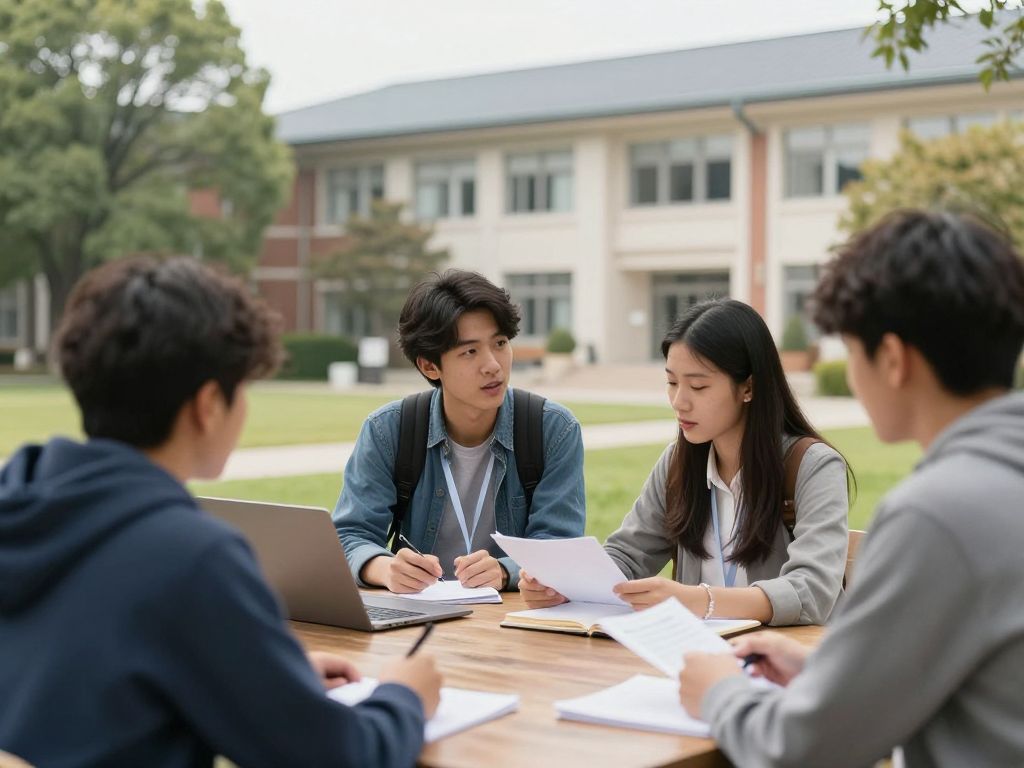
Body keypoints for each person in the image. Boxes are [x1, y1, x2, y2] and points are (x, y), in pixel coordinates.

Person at [0, 257, 441, 767]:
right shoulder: (189, 557)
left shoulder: (24, 500)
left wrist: (259, 672)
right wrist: (403, 697)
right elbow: (337, 757)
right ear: (209, 405)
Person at [678, 210, 1024, 766]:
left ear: (891, 359)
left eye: (851, 350)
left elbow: (804, 750)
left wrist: (720, 690)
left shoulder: (937, 515)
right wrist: (829, 676)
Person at [520, 298, 850, 626]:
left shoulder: (812, 467)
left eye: (698, 386)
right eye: (672, 383)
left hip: (786, 662)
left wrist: (699, 600)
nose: (679, 402)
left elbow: (811, 591)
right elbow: (628, 555)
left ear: (748, 387)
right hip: (698, 654)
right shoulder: (678, 462)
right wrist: (564, 586)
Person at [333, 269, 585, 594]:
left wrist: (505, 571)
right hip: (416, 617)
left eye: (500, 343)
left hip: (513, 622)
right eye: (470, 351)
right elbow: (348, 535)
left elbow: (561, 546)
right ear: (429, 366)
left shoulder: (552, 429)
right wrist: (384, 568)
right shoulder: (388, 430)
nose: (493, 364)